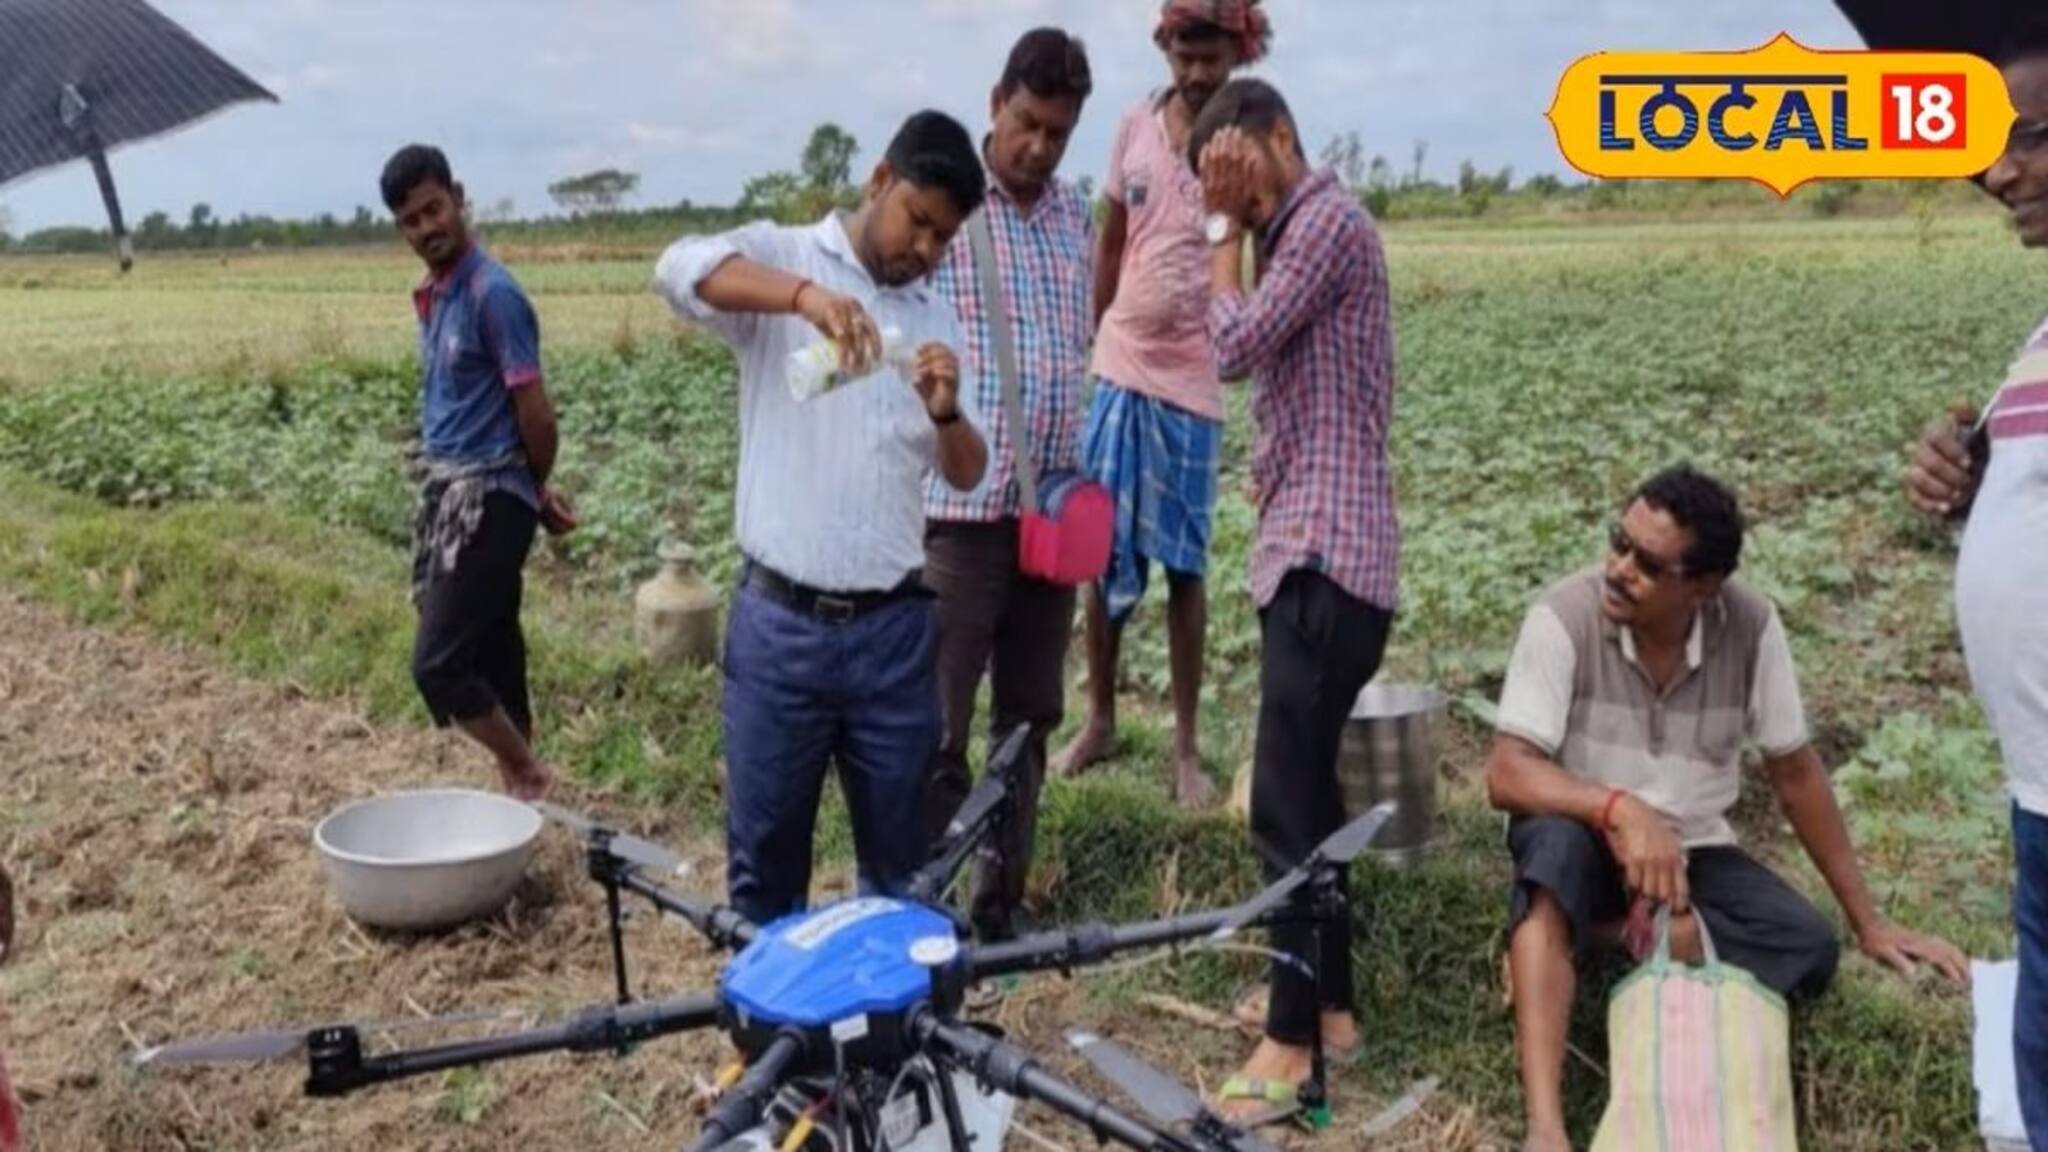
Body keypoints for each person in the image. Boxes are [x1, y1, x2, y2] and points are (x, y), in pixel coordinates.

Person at [1491, 465, 1968, 1152]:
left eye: (1647, 563)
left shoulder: (1750, 626)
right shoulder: (1562, 615)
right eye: (1616, 542)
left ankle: (1613, 934)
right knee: (1552, 859)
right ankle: (1545, 1125)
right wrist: (1619, 809)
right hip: (1581, 825)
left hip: (1692, 851)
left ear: (1703, 586)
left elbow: (1796, 771)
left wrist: (1870, 922)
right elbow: (1507, 772)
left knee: (1806, 944)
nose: (1617, 568)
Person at [656, 111, 990, 927]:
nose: (927, 249)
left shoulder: (938, 322)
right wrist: (805, 299)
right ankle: (773, 1048)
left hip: (893, 639)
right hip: (781, 634)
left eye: (945, 238)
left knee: (902, 876)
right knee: (766, 871)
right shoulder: (786, 257)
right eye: (919, 220)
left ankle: (886, 1048)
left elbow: (970, 475)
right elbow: (677, 270)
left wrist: (947, 415)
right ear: (879, 181)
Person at [1185, 79, 1400, 1117]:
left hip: (1324, 555)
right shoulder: (1306, 228)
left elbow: (1229, 350)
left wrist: (1219, 224)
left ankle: (1285, 1043)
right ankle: (1331, 1012)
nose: (1236, 200)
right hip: (1320, 557)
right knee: (1309, 798)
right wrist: (1236, 213)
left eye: (1241, 172)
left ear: (1280, 137)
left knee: (1281, 807)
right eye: (1216, 187)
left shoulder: (1323, 222)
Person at [1053, 0, 1271, 809]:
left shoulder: (1246, 141)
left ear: (1237, 53)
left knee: (1184, 563)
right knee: (1099, 551)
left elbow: (1272, 246)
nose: (1197, 69)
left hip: (1194, 380)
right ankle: (1100, 717)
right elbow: (1112, 238)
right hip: (1120, 364)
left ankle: (1185, 746)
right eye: (1185, 50)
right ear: (1165, 46)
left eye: (1212, 54)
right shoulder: (1133, 127)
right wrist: (1095, 333)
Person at [1905, 19, 2048, 1146]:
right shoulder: (2040, 334)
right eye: (1987, 148)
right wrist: (1974, 474)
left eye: (2030, 137)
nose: (1998, 172)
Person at [921, 29, 1095, 944]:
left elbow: (1078, 342)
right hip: (960, 513)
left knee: (1031, 713)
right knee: (939, 721)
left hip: (1050, 511)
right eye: (1026, 123)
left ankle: (1001, 902)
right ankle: (923, 900)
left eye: (1057, 134)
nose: (1037, 146)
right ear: (996, 102)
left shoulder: (1073, 216)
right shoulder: (952, 210)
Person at [383, 144, 577, 803]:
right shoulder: (435, 295)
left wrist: (528, 489)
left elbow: (536, 414)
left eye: (434, 208)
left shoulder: (494, 295)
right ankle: (518, 800)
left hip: (490, 495)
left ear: (458, 197)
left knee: (438, 664)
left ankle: (525, 771)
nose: (427, 227)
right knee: (495, 646)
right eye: (411, 219)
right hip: (454, 489)